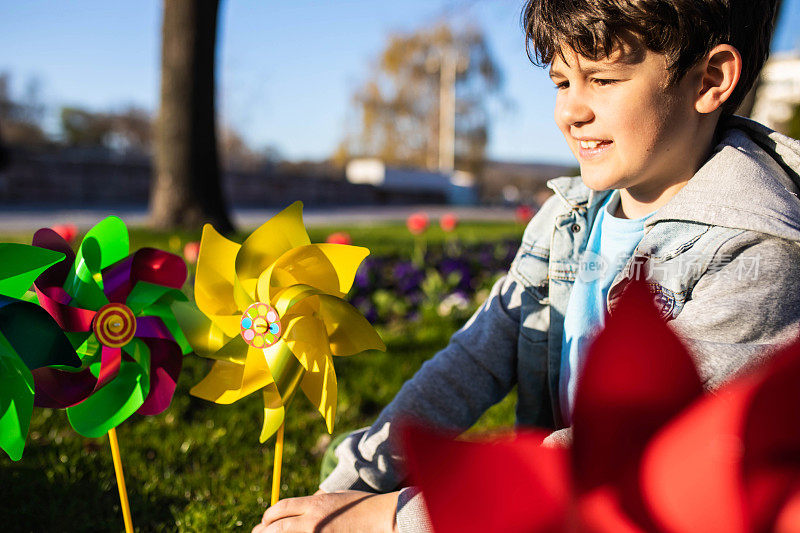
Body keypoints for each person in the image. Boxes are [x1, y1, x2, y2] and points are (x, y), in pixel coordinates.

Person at [254, 0, 800, 531]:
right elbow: (474, 359)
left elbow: (639, 445)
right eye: (562, 82)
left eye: (602, 80)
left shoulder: (756, 251)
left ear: (709, 80)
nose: (570, 111)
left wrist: (397, 518)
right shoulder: (568, 218)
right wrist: (356, 481)